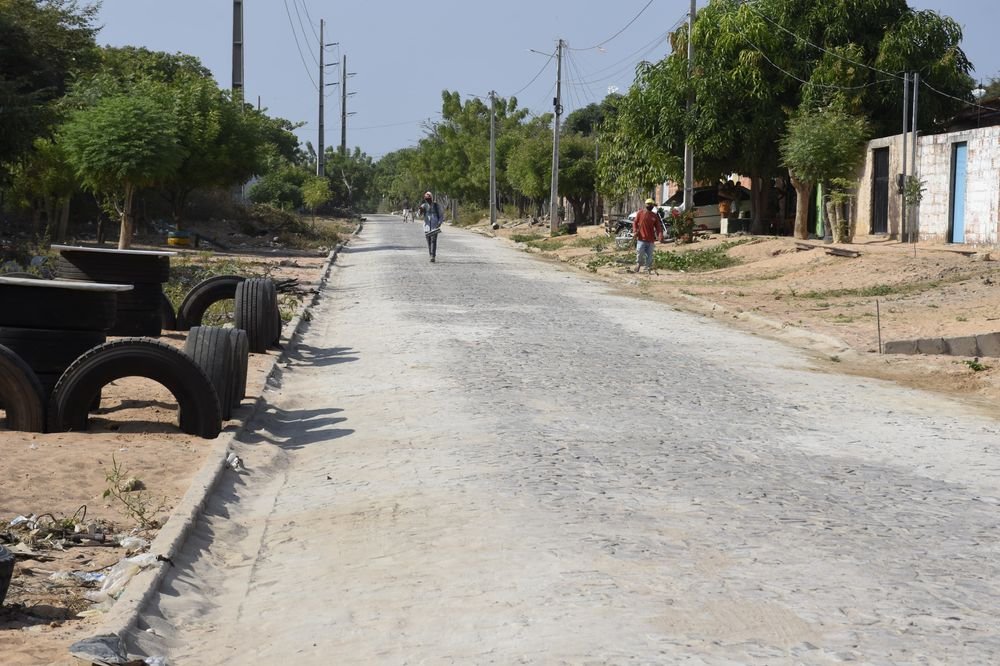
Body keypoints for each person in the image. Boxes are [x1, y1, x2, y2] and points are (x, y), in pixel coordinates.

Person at [632, 198, 663, 274]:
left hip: (651, 239)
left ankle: (647, 269)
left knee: (650, 255)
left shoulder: (654, 216)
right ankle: (638, 264)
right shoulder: (640, 213)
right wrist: (635, 231)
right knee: (640, 253)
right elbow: (635, 223)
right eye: (648, 204)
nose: (649, 205)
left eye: (651, 204)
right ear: (645, 204)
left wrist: (660, 235)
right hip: (641, 238)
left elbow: (658, 227)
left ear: (653, 206)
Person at [419, 191, 444, 262]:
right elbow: (418, 215)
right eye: (426, 199)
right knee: (429, 241)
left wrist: (439, 223)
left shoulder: (436, 206)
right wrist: (420, 211)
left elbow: (441, 215)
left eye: (429, 199)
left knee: (433, 240)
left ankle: (433, 256)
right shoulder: (423, 206)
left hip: (434, 226)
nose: (428, 200)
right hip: (426, 227)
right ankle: (430, 254)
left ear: (432, 198)